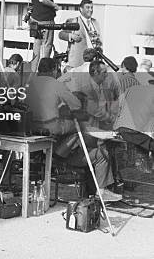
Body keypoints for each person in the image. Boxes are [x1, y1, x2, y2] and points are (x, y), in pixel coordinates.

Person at [26, 58, 120, 202]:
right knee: (81, 128)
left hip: (32, 126)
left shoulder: (29, 84)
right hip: (53, 126)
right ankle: (101, 188)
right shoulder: (56, 84)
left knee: (80, 130)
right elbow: (76, 104)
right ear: (53, 69)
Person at [29, 0, 61, 72]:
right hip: (45, 19)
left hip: (34, 19)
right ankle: (44, 73)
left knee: (36, 47)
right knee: (46, 46)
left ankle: (32, 74)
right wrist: (55, 5)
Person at [59, 0, 102, 70]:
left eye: (92, 7)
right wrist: (71, 36)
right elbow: (61, 34)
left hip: (93, 62)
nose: (90, 10)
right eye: (88, 7)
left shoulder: (95, 22)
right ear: (81, 9)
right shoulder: (73, 21)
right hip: (78, 61)